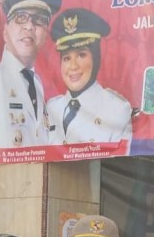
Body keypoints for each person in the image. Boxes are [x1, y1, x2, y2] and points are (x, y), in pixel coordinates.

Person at [0, 0, 62, 148]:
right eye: (21, 17)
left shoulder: (37, 83)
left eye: (39, 20)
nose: (29, 26)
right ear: (5, 31)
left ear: (45, 34)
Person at [47, 9, 133, 144]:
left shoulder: (117, 109)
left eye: (81, 55)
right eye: (66, 58)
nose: (73, 66)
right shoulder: (51, 108)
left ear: (96, 58)